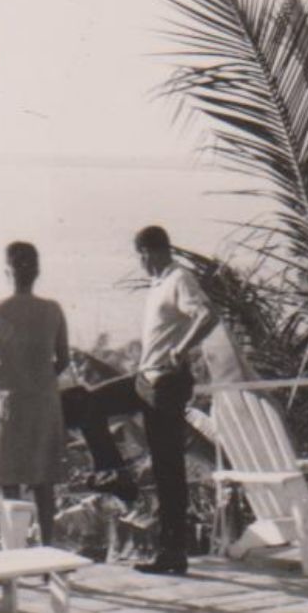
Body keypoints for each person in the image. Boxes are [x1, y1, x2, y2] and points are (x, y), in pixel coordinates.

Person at [64, 225, 219, 575]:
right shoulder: (158, 284)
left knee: (168, 466)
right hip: (144, 379)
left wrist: (181, 350)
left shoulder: (180, 278)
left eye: (143, 256)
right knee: (86, 404)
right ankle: (113, 472)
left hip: (166, 383)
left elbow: (208, 315)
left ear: (152, 251)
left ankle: (173, 552)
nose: (142, 263)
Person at [0, 241, 69, 548]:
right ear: (37, 272)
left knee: (9, 481)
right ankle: (48, 550)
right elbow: (63, 359)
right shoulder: (52, 310)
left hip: (8, 402)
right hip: (42, 401)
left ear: (7, 271)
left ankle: (13, 552)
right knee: (43, 483)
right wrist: (40, 379)